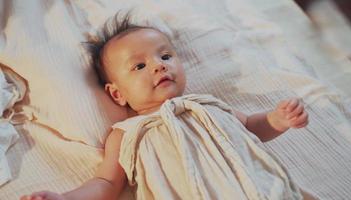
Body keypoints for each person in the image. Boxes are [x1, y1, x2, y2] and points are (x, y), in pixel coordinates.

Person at [20, 13, 312, 200]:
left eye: (166, 56)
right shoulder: (127, 132)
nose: (159, 66)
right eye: (139, 65)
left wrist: (277, 119)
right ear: (117, 94)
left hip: (257, 188)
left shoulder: (208, 105)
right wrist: (65, 198)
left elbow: (250, 128)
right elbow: (106, 182)